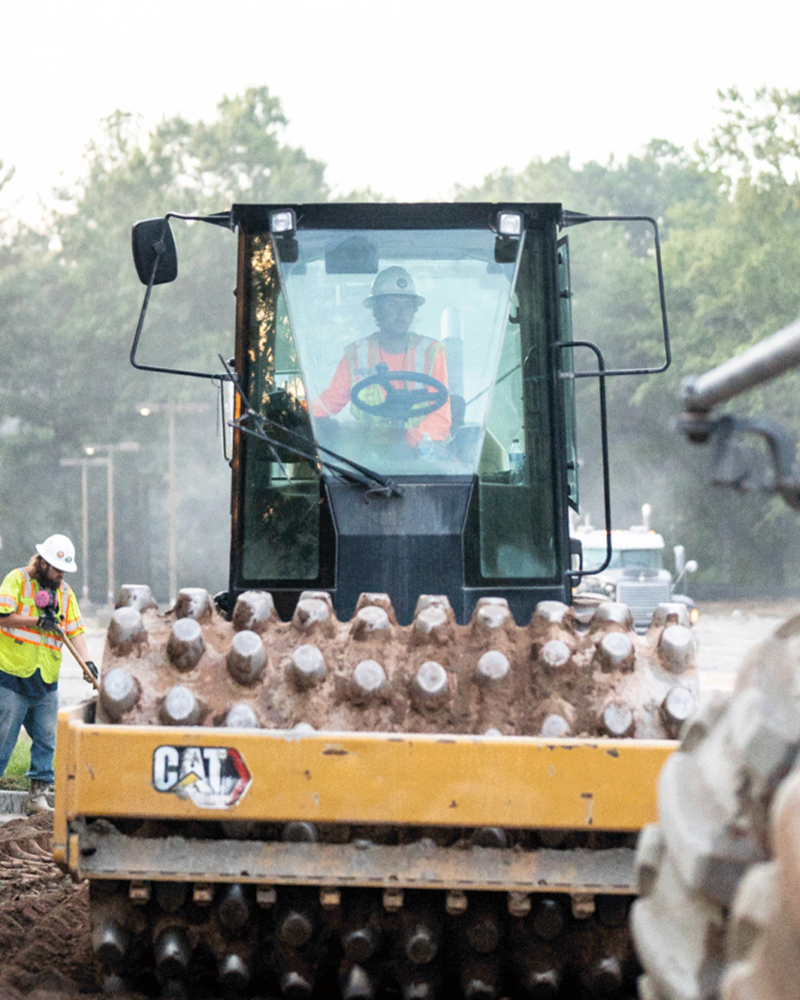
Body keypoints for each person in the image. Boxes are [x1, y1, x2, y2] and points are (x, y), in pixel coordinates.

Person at [0, 534, 96, 814]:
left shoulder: (64, 593)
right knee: (4, 736)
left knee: (47, 737)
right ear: (41, 562)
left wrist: (87, 663)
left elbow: (75, 630)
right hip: (12, 677)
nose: (60, 575)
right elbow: (2, 616)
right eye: (56, 569)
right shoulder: (17, 580)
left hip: (45, 680)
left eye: (63, 570)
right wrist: (37, 621)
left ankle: (38, 796)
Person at [311, 266, 451, 447]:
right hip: (370, 461)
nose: (402, 313)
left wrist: (403, 440)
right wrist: (296, 412)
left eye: (407, 306)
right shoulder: (357, 355)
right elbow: (328, 403)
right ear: (377, 309)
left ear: (414, 310)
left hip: (423, 460)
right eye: (393, 304)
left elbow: (441, 418)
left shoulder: (431, 353)